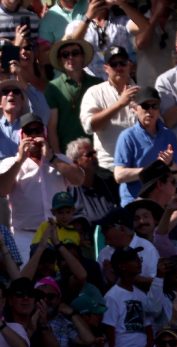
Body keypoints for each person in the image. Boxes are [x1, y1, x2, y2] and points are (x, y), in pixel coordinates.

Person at [0, 112, 86, 255]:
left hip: (58, 233)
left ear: (45, 133)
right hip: (25, 235)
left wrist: (52, 159)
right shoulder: (9, 163)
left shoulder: (60, 160)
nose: (34, 136)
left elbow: (79, 179)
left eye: (38, 130)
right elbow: (2, 190)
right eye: (29, 132)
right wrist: (20, 160)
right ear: (21, 136)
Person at [112, 88, 177, 206]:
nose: (150, 110)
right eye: (145, 106)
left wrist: (169, 164)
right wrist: (152, 171)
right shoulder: (127, 137)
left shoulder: (169, 135)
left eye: (154, 106)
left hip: (163, 204)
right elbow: (119, 175)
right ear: (134, 109)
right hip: (136, 204)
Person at [79, 46, 138, 171]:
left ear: (129, 65)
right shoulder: (95, 92)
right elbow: (90, 127)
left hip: (140, 165)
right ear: (106, 68)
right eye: (113, 64)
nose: (119, 67)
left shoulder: (142, 92)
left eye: (122, 63)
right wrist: (119, 104)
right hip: (110, 166)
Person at [46, 38, 101, 155]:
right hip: (67, 153)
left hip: (95, 151)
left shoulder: (98, 83)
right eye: (65, 55)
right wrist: (58, 154)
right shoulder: (52, 87)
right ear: (60, 60)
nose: (70, 57)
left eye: (75, 53)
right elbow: (52, 127)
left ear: (82, 57)